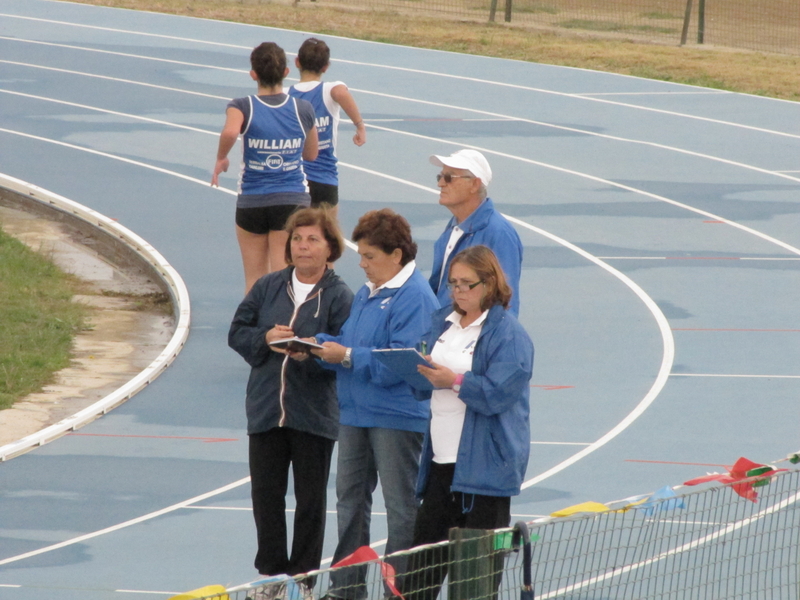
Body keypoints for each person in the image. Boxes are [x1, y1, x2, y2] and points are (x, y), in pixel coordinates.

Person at [310, 208, 440, 599]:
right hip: (355, 414)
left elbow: (400, 362)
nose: (363, 264)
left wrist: (346, 356)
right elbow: (354, 340)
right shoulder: (369, 292)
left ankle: (397, 591)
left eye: (370, 256)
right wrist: (317, 346)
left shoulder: (416, 297)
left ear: (396, 255)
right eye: (361, 257)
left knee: (400, 510)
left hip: (396, 419)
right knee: (350, 503)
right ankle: (346, 590)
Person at [228, 207, 354, 596]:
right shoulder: (267, 286)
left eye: (312, 239)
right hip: (266, 411)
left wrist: (311, 354)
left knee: (310, 502)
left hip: (312, 416)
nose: (303, 246)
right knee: (266, 498)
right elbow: (237, 332)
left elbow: (346, 354)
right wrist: (265, 339)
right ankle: (271, 577)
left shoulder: (340, 296)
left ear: (330, 247)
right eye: (297, 239)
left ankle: (302, 579)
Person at [403, 245, 534, 600]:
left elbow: (498, 394)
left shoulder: (509, 335)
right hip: (441, 465)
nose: (458, 291)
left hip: (484, 472)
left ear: (489, 284)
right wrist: (416, 372)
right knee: (420, 573)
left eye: (467, 284)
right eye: (453, 284)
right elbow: (428, 384)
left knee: (474, 583)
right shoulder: (442, 322)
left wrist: (454, 381)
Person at [212, 41, 319, 294]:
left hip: (253, 200)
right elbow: (312, 154)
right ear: (285, 72)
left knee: (255, 280)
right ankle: (284, 329)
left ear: (253, 74)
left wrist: (221, 158)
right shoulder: (302, 108)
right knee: (283, 277)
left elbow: (229, 131)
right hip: (291, 200)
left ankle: (253, 331)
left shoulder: (242, 105)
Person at [428, 149, 523, 316]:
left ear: (474, 184)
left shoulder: (499, 234)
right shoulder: (454, 227)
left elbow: (506, 303)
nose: (440, 183)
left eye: (449, 177)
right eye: (439, 177)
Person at [288, 37, 366, 213]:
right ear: (326, 67)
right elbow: (340, 92)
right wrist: (360, 125)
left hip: (295, 178)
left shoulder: (287, 95)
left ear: (297, 62)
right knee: (328, 235)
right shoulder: (329, 90)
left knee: (295, 235)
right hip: (325, 178)